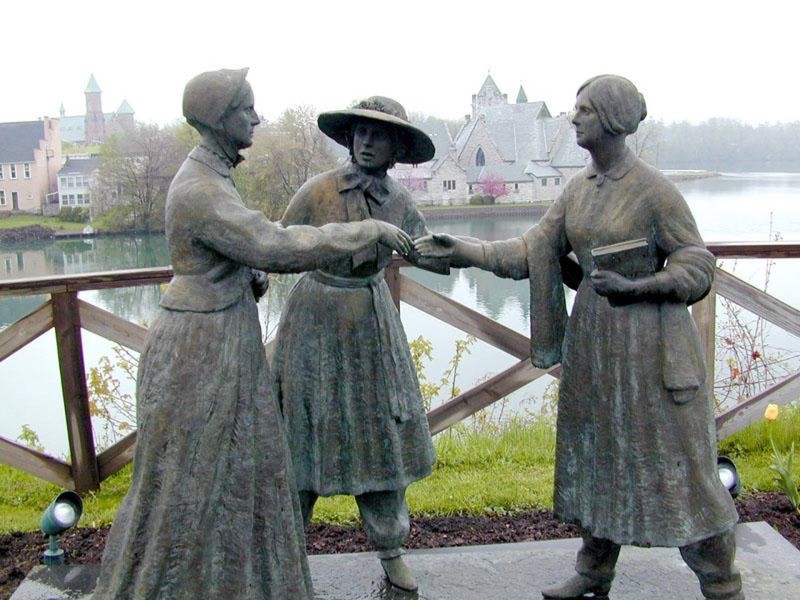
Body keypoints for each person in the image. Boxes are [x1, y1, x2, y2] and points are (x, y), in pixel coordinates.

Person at [415, 75, 743, 600]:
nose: (573, 119)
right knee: (599, 457)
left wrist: (642, 285)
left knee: (679, 468)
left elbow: (697, 266)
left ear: (612, 119)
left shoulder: (655, 191)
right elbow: (531, 250)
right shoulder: (578, 190)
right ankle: (594, 571)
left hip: (652, 349)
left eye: (584, 111)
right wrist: (464, 250)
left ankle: (721, 581)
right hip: (596, 347)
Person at [92, 69, 413, 600]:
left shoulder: (214, 177)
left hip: (224, 330)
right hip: (203, 343)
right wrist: (366, 230)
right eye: (247, 111)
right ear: (220, 119)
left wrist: (249, 269)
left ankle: (231, 580)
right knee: (192, 471)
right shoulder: (201, 188)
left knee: (239, 462)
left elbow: (245, 250)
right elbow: (275, 243)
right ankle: (173, 583)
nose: (257, 119)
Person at [273, 96, 446, 592]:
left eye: (380, 135)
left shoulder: (399, 201)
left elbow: (423, 249)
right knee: (299, 436)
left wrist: (455, 252)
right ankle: (286, 552)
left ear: (396, 147)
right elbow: (280, 245)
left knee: (379, 438)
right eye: (361, 133)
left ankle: (391, 549)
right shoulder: (317, 190)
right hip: (314, 321)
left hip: (371, 325)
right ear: (349, 139)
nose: (368, 143)